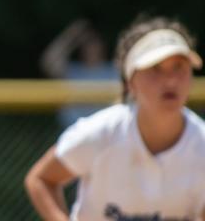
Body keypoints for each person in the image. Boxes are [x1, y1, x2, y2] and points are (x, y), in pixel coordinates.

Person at [24, 15, 205, 221]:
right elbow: (42, 179)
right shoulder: (100, 133)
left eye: (179, 66)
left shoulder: (202, 144)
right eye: (155, 68)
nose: (171, 80)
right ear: (130, 83)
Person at [40, 19, 118, 128]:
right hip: (73, 132)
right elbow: (49, 61)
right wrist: (71, 36)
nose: (91, 47)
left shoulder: (114, 71)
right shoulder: (72, 71)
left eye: (94, 42)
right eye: (87, 43)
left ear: (102, 44)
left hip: (106, 135)